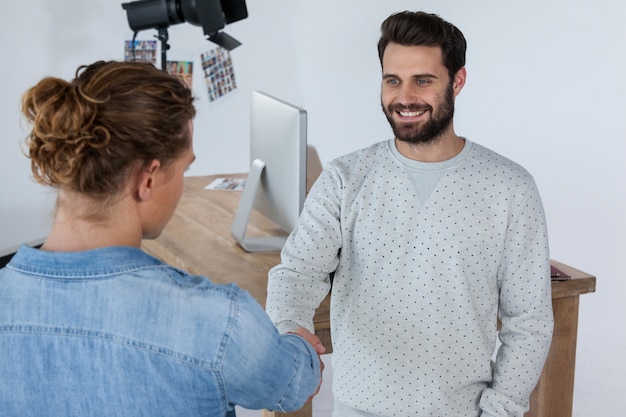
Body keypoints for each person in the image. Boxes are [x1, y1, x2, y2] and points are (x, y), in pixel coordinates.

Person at [266, 11, 553, 417]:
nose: (405, 97)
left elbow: (530, 322)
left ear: (457, 81)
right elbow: (298, 271)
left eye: (423, 80)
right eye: (392, 80)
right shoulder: (345, 178)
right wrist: (290, 327)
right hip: (356, 406)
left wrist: (500, 409)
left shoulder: (510, 188)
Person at [0, 60, 322, 416]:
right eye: (185, 168)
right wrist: (298, 346)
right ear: (148, 179)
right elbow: (292, 386)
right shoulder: (216, 321)